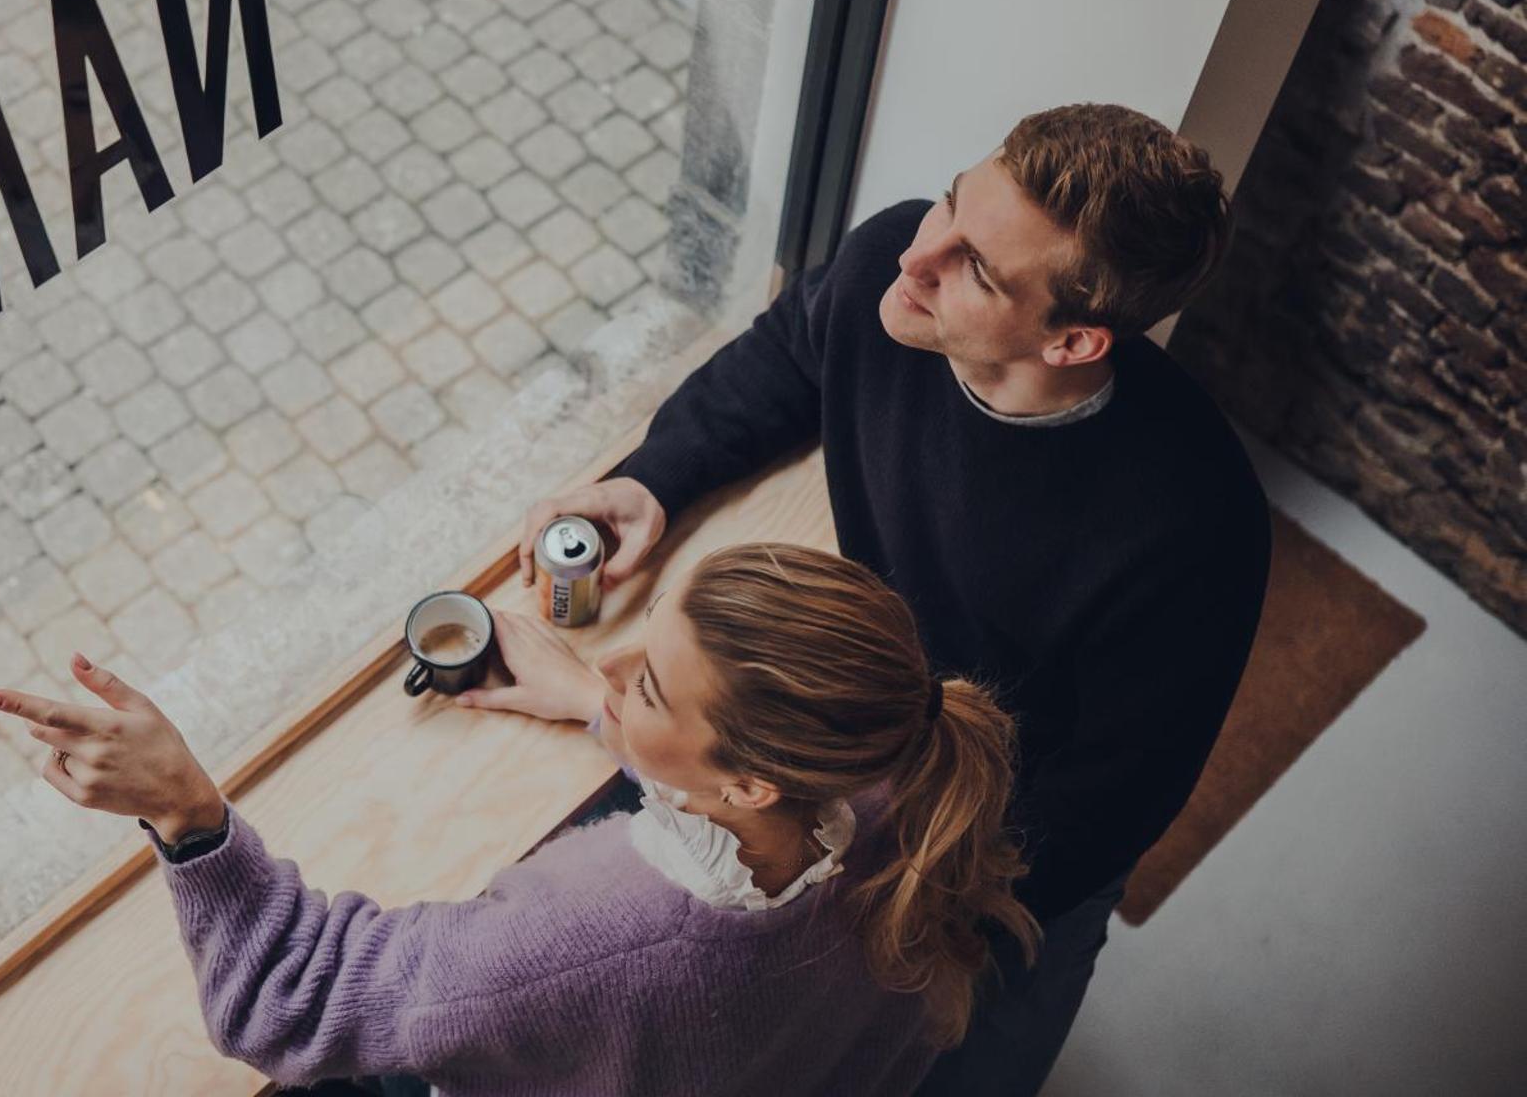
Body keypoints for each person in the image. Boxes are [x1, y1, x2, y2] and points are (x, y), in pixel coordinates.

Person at [514, 103, 1274, 1094]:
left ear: (1076, 341)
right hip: (862, 736)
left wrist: (906, 908)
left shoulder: (1194, 524)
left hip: (1008, 851)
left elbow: (1112, 801)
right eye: (953, 206)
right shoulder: (895, 269)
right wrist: (655, 477)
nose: (921, 255)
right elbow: (792, 349)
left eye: (979, 269)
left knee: (954, 1067)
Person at [0, 544, 1038, 1096]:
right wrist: (603, 708)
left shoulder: (584, 939)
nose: (613, 666)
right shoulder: (904, 789)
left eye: (654, 688)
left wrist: (186, 811)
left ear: (754, 778)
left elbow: (282, 1005)